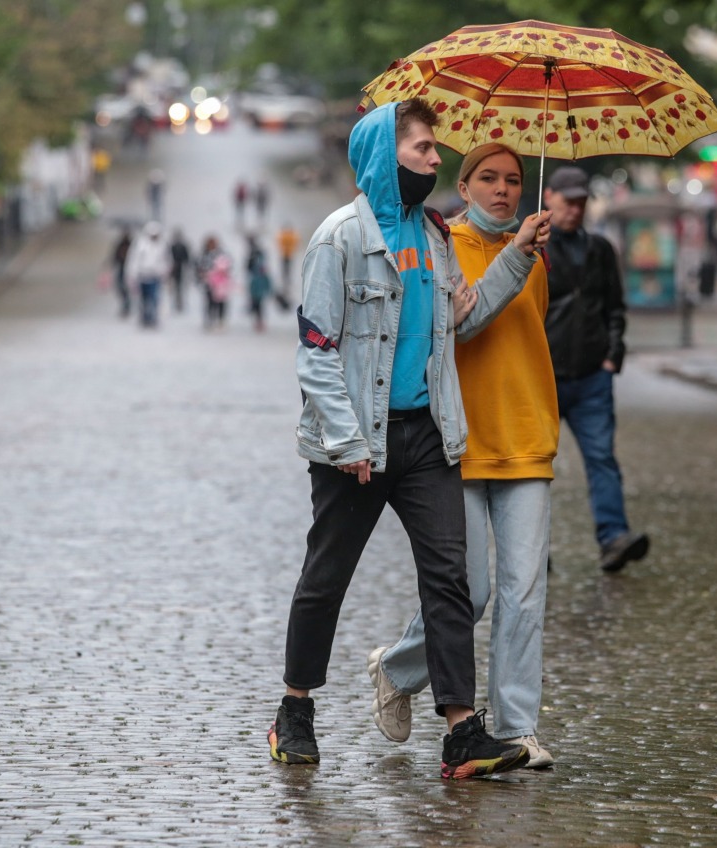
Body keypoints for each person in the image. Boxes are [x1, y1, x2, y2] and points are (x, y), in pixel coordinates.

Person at [270, 98, 551, 780]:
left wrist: (515, 256)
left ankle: (462, 732)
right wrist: (349, 441)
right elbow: (315, 349)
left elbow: (465, 320)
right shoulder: (339, 238)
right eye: (424, 148)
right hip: (355, 444)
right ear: (382, 156)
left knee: (449, 582)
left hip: (427, 436)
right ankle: (294, 710)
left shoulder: (433, 237)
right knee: (326, 577)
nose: (435, 159)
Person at [368, 142, 560, 770]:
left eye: (512, 179)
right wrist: (515, 254)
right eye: (488, 178)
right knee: (470, 592)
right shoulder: (438, 244)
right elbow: (459, 327)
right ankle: (398, 667)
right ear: (465, 183)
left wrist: (526, 255)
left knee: (525, 592)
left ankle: (517, 728)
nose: (503, 189)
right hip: (459, 440)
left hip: (526, 437)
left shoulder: (539, 256)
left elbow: (530, 337)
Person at [542, 165, 650, 573]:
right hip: (543, 377)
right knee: (534, 467)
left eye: (581, 202)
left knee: (602, 457)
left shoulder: (600, 249)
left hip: (591, 376)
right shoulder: (529, 247)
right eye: (568, 201)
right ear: (549, 196)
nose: (575, 209)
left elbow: (615, 308)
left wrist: (611, 357)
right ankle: (534, 547)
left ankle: (613, 538)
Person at [124, 221, 169, 328]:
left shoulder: (162, 245)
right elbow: (133, 260)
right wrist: (132, 274)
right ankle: (144, 317)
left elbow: (166, 260)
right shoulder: (140, 244)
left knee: (154, 298)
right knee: (144, 298)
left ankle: (153, 317)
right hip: (142, 276)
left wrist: (164, 272)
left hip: (155, 276)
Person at [195, 235, 231, 330]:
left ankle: (220, 319)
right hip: (208, 283)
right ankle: (210, 320)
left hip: (220, 284)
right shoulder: (203, 254)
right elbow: (198, 267)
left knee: (221, 302)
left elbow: (227, 266)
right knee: (209, 302)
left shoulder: (221, 254)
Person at [244, 235, 273, 332]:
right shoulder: (257, 254)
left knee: (257, 303)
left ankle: (259, 320)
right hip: (257, 283)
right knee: (258, 303)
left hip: (257, 283)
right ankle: (259, 320)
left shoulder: (254, 255)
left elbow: (247, 268)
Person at [110, 227, 133, 318]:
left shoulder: (132, 245)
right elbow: (115, 255)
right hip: (121, 268)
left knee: (126, 287)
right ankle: (125, 303)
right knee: (120, 286)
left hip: (130, 269)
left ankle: (127, 304)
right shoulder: (120, 244)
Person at [168, 228, 191, 313]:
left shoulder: (183, 246)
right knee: (173, 287)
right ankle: (175, 302)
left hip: (181, 269)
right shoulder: (172, 246)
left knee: (180, 287)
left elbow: (187, 258)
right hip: (173, 269)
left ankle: (180, 302)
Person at [276, 222, 299, 301]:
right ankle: (287, 279)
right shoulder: (292, 235)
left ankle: (285, 279)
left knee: (285, 268)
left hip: (285, 254)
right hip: (289, 254)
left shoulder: (283, 235)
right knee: (288, 268)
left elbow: (279, 242)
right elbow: (296, 243)